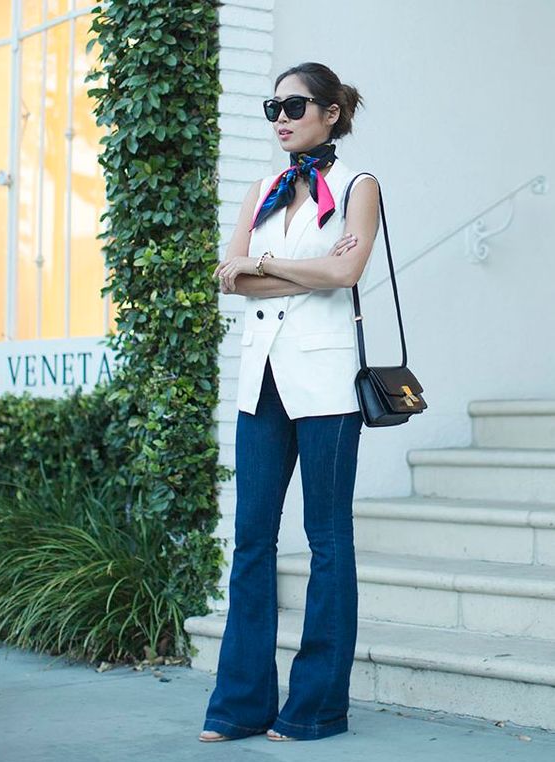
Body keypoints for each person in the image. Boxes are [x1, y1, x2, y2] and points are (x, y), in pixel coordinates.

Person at [199, 61, 380, 743]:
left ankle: (316, 708)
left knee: (328, 540)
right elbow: (229, 276)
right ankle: (240, 705)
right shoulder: (262, 189)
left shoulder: (358, 186)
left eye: (295, 106)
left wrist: (265, 265)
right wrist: (290, 272)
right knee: (252, 539)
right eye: (272, 106)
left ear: (331, 113)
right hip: (261, 381)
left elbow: (346, 270)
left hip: (327, 383)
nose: (281, 117)